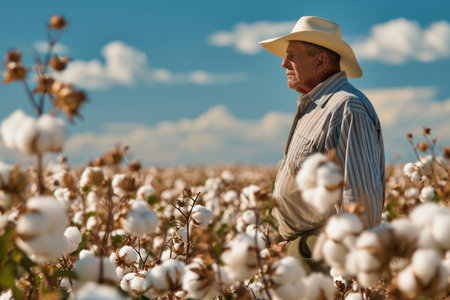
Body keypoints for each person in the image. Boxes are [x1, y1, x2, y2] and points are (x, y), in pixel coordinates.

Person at [259, 16, 385, 271]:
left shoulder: (347, 108)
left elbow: (360, 200)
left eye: (292, 55)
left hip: (321, 257)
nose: (284, 63)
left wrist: (351, 274)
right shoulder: (317, 107)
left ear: (320, 60)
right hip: (302, 250)